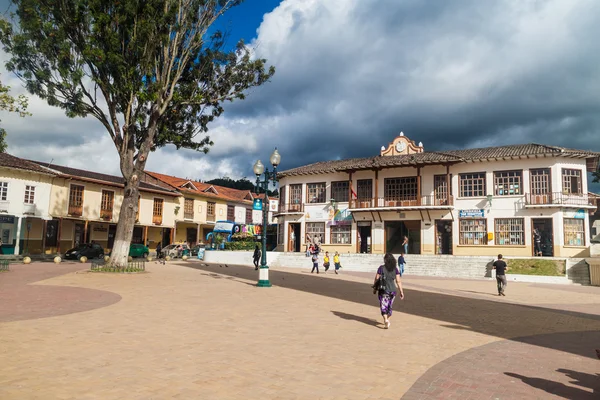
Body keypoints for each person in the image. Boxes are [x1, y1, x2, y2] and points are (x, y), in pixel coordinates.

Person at [372, 253, 404, 329]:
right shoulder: (395, 269)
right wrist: (401, 291)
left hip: (383, 290)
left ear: (385, 260)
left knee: (383, 306)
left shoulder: (381, 268)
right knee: (389, 305)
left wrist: (374, 288)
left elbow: (376, 278)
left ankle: (386, 320)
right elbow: (398, 281)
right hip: (393, 290)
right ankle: (388, 320)